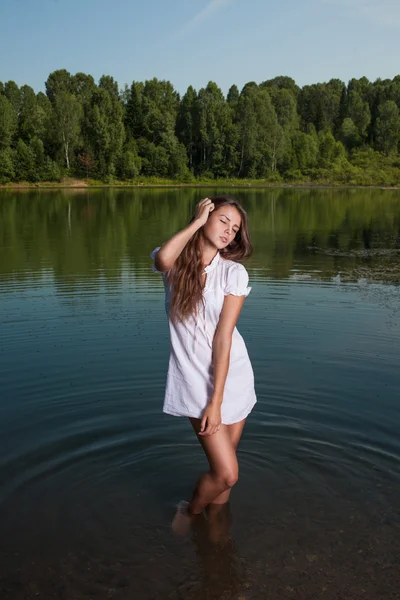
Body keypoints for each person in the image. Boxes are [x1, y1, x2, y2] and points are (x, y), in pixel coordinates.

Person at [150, 195, 256, 531]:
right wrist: (195, 222)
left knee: (223, 475)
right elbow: (163, 259)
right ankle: (191, 512)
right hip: (195, 380)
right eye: (223, 220)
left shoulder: (233, 273)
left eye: (235, 228)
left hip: (231, 377)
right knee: (227, 472)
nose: (229, 231)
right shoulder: (178, 265)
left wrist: (218, 399)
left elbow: (224, 337)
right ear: (205, 217)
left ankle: (215, 532)